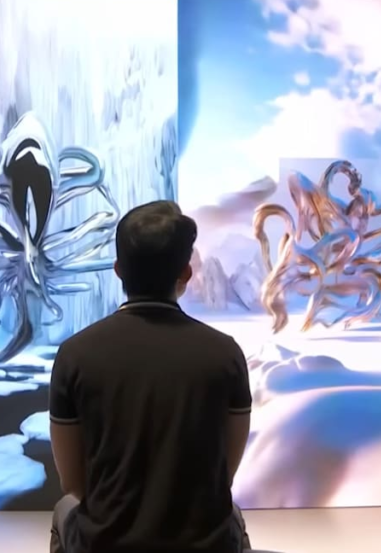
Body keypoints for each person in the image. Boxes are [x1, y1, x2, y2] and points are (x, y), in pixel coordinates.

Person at [49, 200, 254, 553]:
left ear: (118, 270)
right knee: (230, 513)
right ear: (186, 273)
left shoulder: (74, 355)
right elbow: (224, 475)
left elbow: (73, 483)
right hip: (205, 545)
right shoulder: (226, 354)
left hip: (107, 545)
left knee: (63, 509)